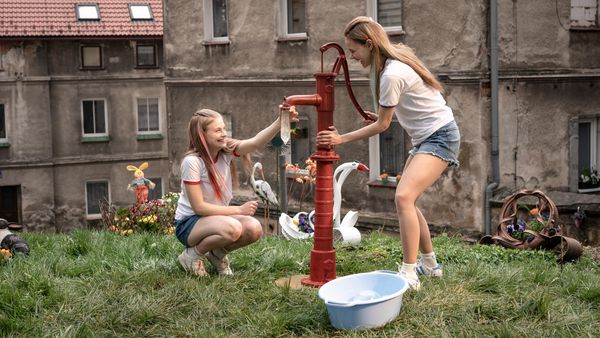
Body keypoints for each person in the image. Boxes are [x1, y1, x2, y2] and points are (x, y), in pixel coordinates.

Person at [316, 16, 460, 290]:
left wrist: (340, 139)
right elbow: (402, 108)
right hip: (426, 137)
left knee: (403, 197)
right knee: (409, 200)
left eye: (354, 50)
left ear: (369, 44)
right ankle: (430, 264)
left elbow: (382, 126)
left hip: (440, 138)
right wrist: (382, 114)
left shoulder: (391, 74)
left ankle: (409, 273)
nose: (353, 56)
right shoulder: (394, 62)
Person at [175, 107, 298, 277]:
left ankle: (217, 255)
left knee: (254, 228)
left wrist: (281, 121)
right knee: (232, 228)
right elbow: (200, 208)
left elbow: (255, 142)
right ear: (202, 135)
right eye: (218, 130)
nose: (224, 133)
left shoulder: (225, 152)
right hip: (188, 225)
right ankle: (192, 256)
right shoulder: (192, 162)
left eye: (224, 128)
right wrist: (239, 210)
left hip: (215, 219)